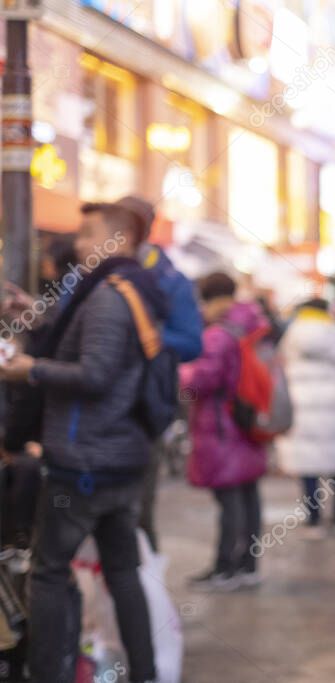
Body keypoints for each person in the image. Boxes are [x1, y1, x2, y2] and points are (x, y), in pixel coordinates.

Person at [0, 202, 163, 683]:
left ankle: (50, 673)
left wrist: (30, 369)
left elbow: (95, 373)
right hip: (119, 456)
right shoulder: (123, 290)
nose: (79, 244)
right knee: (123, 573)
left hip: (86, 459)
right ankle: (147, 672)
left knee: (50, 574)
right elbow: (93, 351)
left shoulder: (110, 295)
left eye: (89, 234)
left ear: (119, 240)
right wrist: (39, 317)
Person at [116, 195, 203, 553]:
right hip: (93, 409)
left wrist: (146, 335)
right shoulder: (94, 272)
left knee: (137, 514)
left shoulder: (171, 280)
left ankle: (144, 598)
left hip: (144, 409)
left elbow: (191, 343)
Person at [179, 272, 267, 591]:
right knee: (247, 494)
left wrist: (181, 371)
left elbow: (201, 381)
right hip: (248, 421)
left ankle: (226, 567)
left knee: (229, 497)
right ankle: (248, 565)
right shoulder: (251, 323)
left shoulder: (218, 334)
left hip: (221, 426)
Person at [275, 298, 335, 538]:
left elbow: (279, 373)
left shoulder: (290, 337)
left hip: (301, 406)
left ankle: (314, 520)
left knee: (307, 465)